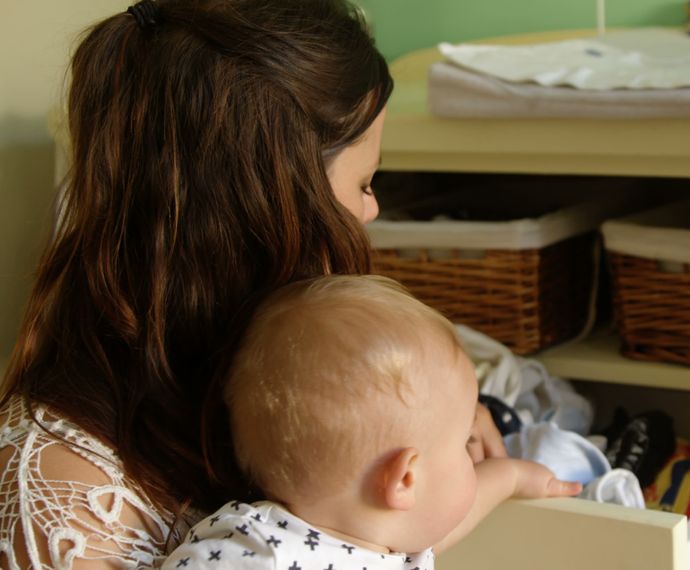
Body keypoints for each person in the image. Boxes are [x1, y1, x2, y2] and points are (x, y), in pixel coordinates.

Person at [0, 1, 505, 568]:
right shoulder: (72, 506)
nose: (372, 210)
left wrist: (429, 425)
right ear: (267, 205)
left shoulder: (269, 373)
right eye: (364, 183)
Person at [157, 275, 580, 569]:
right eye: (461, 446)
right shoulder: (260, 552)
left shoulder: (385, 543)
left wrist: (511, 476)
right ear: (405, 480)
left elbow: (447, 521)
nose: (472, 456)